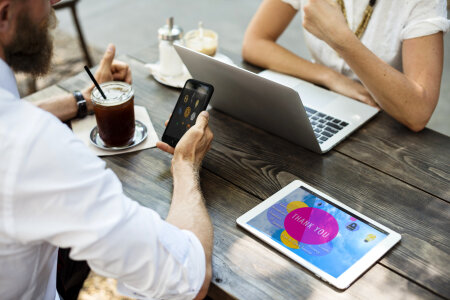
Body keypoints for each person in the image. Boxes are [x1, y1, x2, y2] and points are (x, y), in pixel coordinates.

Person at [0, 1, 214, 300]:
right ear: (4, 13)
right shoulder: (31, 144)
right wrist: (186, 163)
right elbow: (187, 277)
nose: (53, 5)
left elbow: (10, 112)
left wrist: (83, 100)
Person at [242, 0, 449, 132]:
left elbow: (418, 113)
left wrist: (341, 40)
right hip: (320, 99)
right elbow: (254, 43)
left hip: (383, 116)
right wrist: (330, 77)